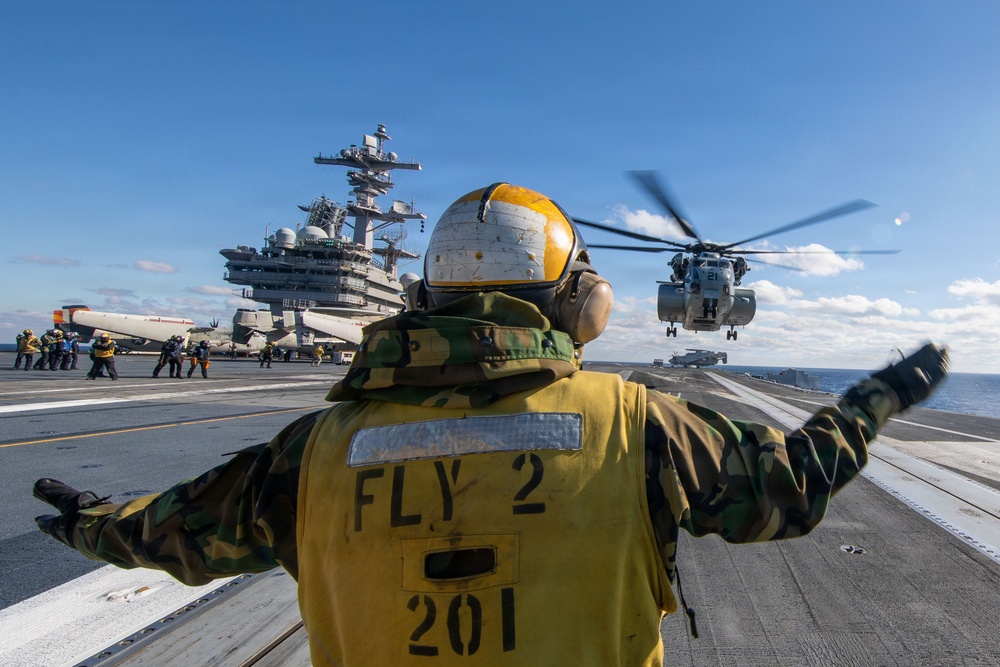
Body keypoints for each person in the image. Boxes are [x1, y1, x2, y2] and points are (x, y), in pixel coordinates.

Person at [33, 184, 949, 666]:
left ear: (423, 299)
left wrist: (86, 522)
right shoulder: (639, 426)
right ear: (578, 303)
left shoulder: (310, 453)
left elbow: (173, 534)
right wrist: (883, 394)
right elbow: (791, 489)